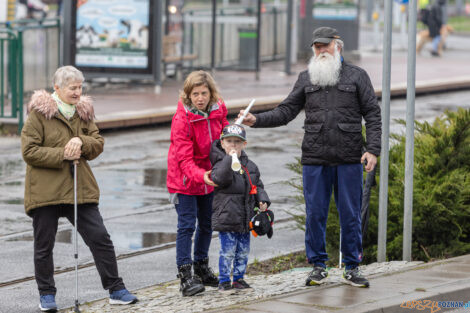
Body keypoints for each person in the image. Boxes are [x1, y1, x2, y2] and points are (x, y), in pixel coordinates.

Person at [238, 27, 381, 288]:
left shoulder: (357, 76)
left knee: (350, 214)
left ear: (338, 45)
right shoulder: (307, 78)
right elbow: (285, 111)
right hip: (315, 158)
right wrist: (255, 120)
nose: (321, 51)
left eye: (325, 45)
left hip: (349, 157)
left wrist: (372, 150)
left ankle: (352, 266)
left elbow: (373, 114)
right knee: (315, 214)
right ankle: (318, 265)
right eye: (317, 46)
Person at [21, 66, 137, 311]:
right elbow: (29, 152)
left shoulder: (84, 113)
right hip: (46, 191)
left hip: (79, 188)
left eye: (79, 87)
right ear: (57, 88)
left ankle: (116, 288)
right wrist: (63, 152)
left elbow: (97, 143)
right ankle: (46, 294)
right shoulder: (38, 115)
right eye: (72, 88)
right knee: (44, 246)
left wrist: (80, 141)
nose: (77, 92)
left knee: (100, 238)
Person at [166, 70, 229, 296]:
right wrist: (202, 175)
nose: (200, 98)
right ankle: (185, 274)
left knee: (207, 223)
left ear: (211, 94)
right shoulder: (182, 118)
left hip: (209, 176)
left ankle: (201, 267)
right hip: (184, 179)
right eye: (195, 94)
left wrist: (233, 143)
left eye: (204, 93)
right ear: (188, 95)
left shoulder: (218, 110)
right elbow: (183, 158)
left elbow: (225, 138)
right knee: (186, 225)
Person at [209, 124, 271, 293]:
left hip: (245, 217)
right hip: (227, 216)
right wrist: (229, 158)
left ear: (244, 144)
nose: (233, 145)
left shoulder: (251, 166)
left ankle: (238, 278)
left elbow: (257, 185)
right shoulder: (220, 163)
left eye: (237, 142)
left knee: (243, 251)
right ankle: (223, 281)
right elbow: (220, 178)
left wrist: (262, 200)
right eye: (229, 141)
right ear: (222, 143)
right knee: (227, 251)